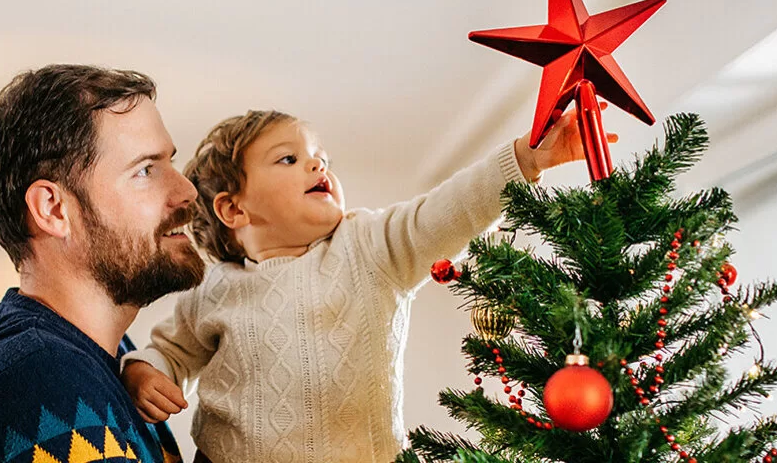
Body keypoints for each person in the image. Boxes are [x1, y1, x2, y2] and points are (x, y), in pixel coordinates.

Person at [120, 107, 615, 461]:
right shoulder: (214, 289)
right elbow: (171, 350)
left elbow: (446, 211)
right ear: (234, 209)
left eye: (321, 157)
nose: (319, 165)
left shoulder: (368, 246)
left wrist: (525, 160)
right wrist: (146, 372)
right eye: (288, 159)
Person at [0, 64, 202, 463]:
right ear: (53, 209)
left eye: (170, 163)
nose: (186, 190)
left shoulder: (109, 358)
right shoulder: (41, 378)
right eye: (145, 170)